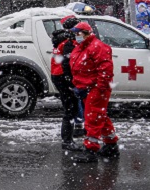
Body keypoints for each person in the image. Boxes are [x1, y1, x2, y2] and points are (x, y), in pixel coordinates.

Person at [69, 21, 119, 163]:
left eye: (78, 33)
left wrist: (100, 87)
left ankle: (91, 149)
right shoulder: (82, 47)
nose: (76, 36)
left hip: (96, 88)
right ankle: (111, 145)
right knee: (99, 116)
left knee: (92, 118)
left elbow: (105, 69)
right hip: (88, 88)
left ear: (86, 33)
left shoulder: (97, 47)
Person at [50, 15, 83, 151]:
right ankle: (67, 141)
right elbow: (67, 63)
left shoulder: (62, 38)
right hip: (63, 77)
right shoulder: (68, 41)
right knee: (70, 108)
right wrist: (70, 80)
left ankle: (70, 137)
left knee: (71, 107)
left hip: (58, 75)